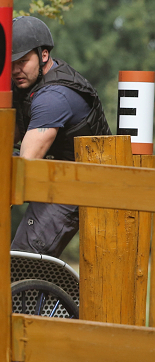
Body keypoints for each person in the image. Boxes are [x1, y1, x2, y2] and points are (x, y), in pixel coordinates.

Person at [10, 16, 111, 257]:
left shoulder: (54, 97)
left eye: (23, 61)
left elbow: (26, 165)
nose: (15, 70)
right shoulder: (25, 85)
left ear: (44, 55)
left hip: (80, 183)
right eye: (10, 62)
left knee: (24, 256)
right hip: (53, 173)